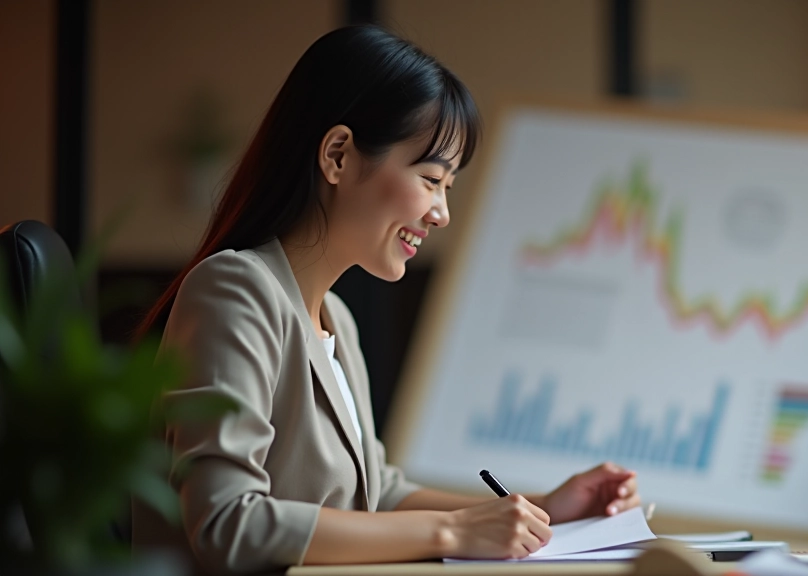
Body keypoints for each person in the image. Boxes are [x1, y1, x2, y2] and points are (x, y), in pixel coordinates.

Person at [132, 25, 642, 575]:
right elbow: (228, 523)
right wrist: (451, 531)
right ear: (338, 155)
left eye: (447, 187)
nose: (441, 212)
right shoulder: (235, 290)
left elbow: (379, 493)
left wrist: (543, 508)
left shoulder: (336, 322)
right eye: (430, 178)